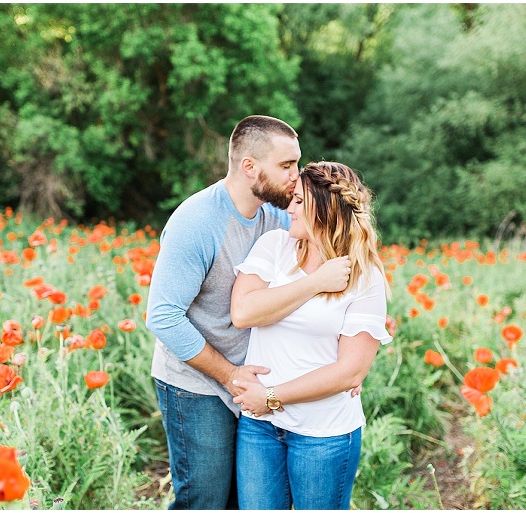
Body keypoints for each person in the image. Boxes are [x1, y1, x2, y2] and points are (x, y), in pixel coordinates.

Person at [146, 116, 351, 510]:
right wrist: (229, 374)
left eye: (297, 164)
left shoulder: (278, 218)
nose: (297, 178)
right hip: (197, 382)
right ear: (249, 167)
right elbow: (163, 316)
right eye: (286, 166)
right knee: (204, 499)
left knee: (245, 501)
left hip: (254, 383)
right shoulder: (197, 222)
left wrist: (346, 362)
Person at [229, 161, 393, 510]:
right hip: (260, 429)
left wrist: (270, 396)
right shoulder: (274, 246)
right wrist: (315, 283)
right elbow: (243, 312)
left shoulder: (365, 277)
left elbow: (350, 372)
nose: (289, 208)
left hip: (323, 434)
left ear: (327, 206)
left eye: (300, 201)